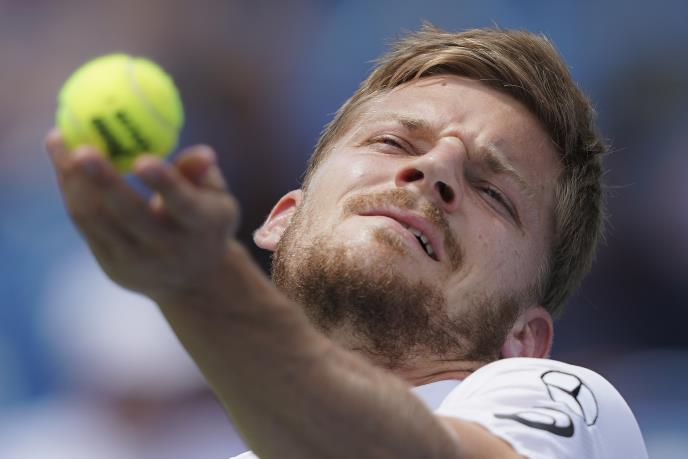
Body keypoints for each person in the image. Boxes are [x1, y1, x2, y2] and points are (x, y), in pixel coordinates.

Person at [45, 24, 648, 458]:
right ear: (282, 218)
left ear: (525, 340)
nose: (434, 169)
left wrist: (202, 286)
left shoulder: (572, 410)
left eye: (492, 192)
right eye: (393, 143)